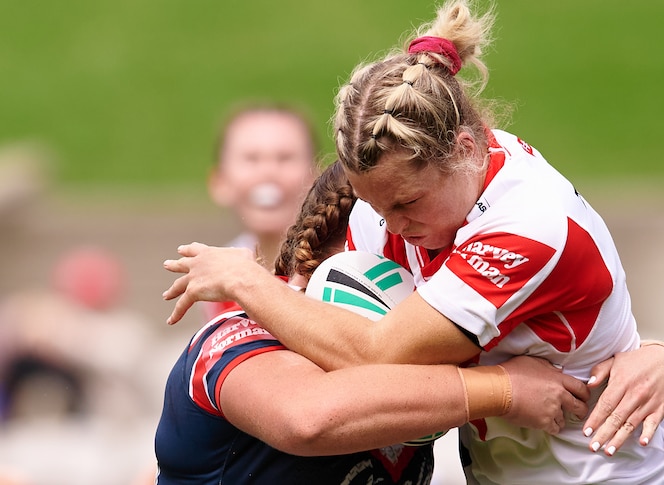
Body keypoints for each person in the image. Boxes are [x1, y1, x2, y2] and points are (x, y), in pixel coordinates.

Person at [162, 1, 664, 483]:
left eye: (407, 204)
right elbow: (324, 400)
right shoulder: (393, 218)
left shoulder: (526, 221)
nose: (392, 228)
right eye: (377, 207)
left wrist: (246, 280)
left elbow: (377, 351)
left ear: (465, 148)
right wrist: (507, 388)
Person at [155, 161, 590, 484]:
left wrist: (650, 361)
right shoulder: (239, 338)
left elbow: (554, 373)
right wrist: (502, 390)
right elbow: (309, 417)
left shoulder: (426, 359)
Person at [202, 103, 319, 321]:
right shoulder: (221, 273)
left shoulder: (337, 268)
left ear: (316, 178)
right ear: (220, 182)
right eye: (251, 158)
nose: (268, 172)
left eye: (285, 157)